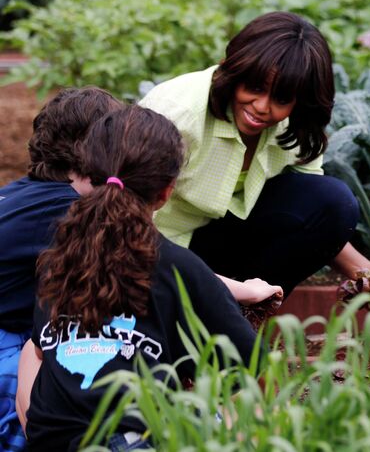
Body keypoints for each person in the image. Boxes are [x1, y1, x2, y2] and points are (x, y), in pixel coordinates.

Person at [17, 106, 273, 451]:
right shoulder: (176, 266)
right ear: (167, 192)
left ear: (88, 178)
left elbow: (40, 349)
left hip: (48, 440)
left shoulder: (56, 259)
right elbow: (249, 362)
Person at [138, 11, 370, 302]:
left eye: (281, 99)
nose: (262, 107)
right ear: (236, 71)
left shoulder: (294, 126)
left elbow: (317, 216)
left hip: (212, 243)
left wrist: (365, 271)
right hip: (151, 250)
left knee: (334, 202)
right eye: (255, 88)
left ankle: (246, 314)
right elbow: (124, 225)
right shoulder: (179, 115)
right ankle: (213, 311)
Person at [0, 87, 123, 452]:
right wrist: (237, 286)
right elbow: (154, 259)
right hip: (5, 337)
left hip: (12, 328)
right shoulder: (65, 209)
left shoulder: (27, 192)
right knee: (52, 397)